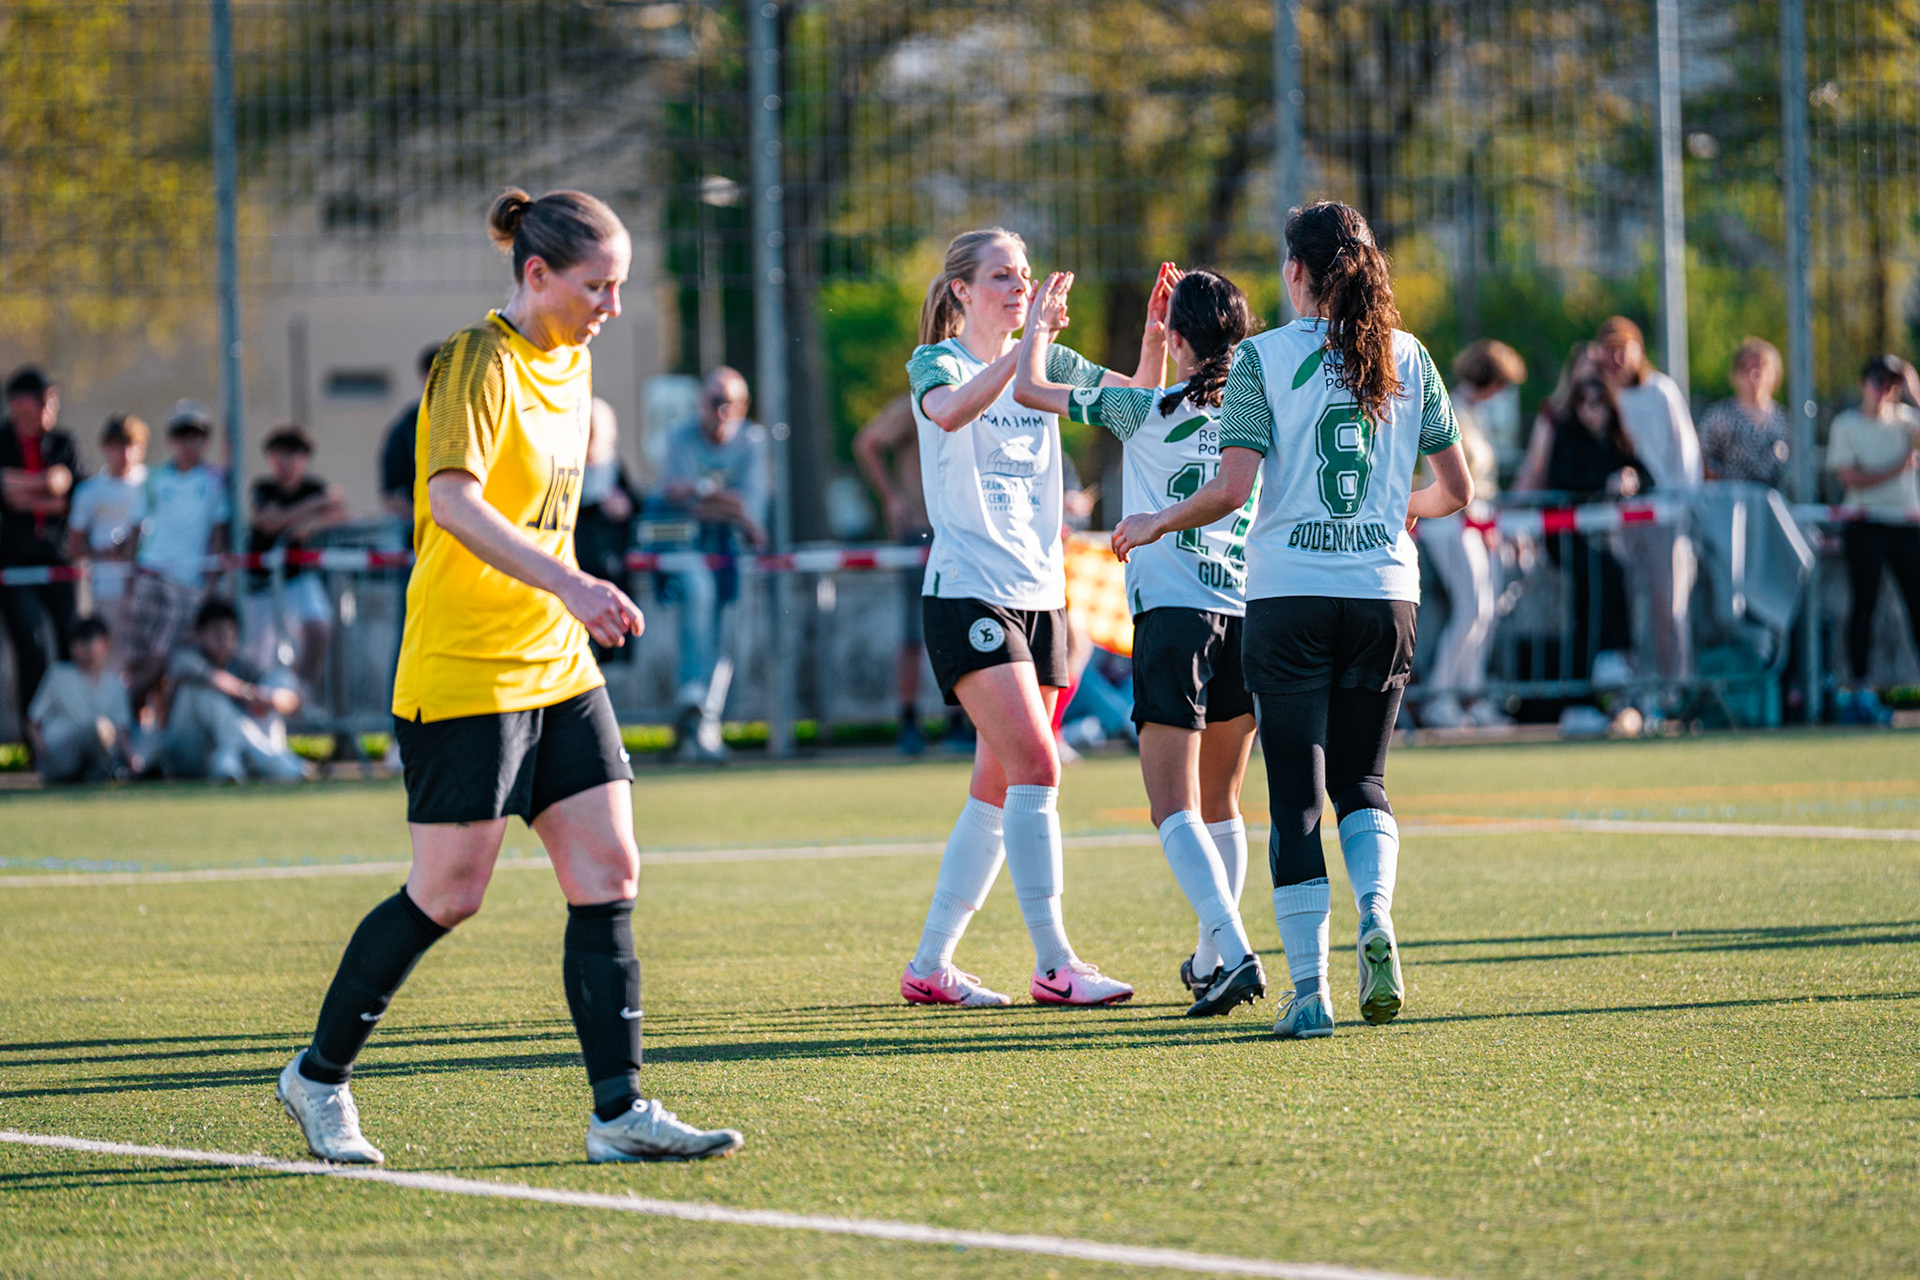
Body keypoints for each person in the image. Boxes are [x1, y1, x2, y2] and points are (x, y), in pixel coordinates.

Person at [277, 187, 741, 1167]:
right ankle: (317, 1078)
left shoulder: (572, 365)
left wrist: (573, 600)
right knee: (449, 892)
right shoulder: (475, 362)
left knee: (610, 869)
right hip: (466, 670)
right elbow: (451, 502)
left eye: (619, 286)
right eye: (596, 286)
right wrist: (574, 582)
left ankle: (618, 1111)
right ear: (537, 276)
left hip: (557, 669)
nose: (610, 306)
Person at [1112, 200, 1474, 1039]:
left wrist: (1156, 522)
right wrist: (1396, 508)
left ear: (1299, 272)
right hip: (1387, 591)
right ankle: (1376, 915)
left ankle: (1309, 993)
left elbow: (1233, 489)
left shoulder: (1263, 359)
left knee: (1296, 802)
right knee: (1364, 782)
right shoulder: (1411, 357)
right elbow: (1458, 489)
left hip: (1289, 598)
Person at [898, 226, 1163, 1010]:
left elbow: (1135, 403)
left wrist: (1153, 338)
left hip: (1042, 595)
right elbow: (948, 413)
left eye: (1025, 275)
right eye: (1002, 276)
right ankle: (1055, 964)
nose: (1021, 288)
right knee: (1040, 768)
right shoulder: (941, 361)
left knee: (997, 783)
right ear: (961, 292)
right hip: (969, 592)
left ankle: (932, 965)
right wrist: (1029, 350)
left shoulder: (1040, 355)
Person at [1014, 264, 1265, 1017]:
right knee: (1223, 805)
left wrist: (1037, 330)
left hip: (1175, 617)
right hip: (1247, 614)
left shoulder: (1149, 409)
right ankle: (1213, 956)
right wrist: (1161, 334)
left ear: (1180, 338)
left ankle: (1235, 946)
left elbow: (1029, 389)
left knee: (1172, 808)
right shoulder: (1259, 414)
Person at [657, 366, 770, 761]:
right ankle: (690, 693)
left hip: (732, 548)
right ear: (699, 403)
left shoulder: (753, 441)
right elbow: (675, 494)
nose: (722, 411)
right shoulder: (679, 437)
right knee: (698, 594)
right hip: (685, 547)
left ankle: (706, 721)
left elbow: (747, 503)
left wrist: (704, 495)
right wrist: (727, 503)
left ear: (744, 407)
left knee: (728, 634)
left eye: (732, 403)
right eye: (714, 402)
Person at [1420, 340, 1526, 728]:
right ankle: (1441, 697)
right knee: (1471, 610)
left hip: (1475, 522)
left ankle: (1471, 695)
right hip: (1451, 523)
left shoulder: (1474, 413)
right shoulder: (1452, 409)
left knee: (1484, 612)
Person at [1516, 376, 1645, 684]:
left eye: (1598, 403)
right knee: (1598, 588)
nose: (1591, 411)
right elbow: (1563, 479)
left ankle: (1610, 663)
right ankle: (1589, 676)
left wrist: (1632, 477)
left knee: (1603, 590)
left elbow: (1644, 473)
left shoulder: (1616, 438)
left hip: (1599, 540)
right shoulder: (1566, 433)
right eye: (1583, 403)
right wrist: (1605, 484)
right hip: (1566, 538)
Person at [1596, 316, 1699, 693]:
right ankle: (1637, 691)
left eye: (1624, 350)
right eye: (1610, 352)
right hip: (1622, 518)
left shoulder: (1660, 391)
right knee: (1629, 609)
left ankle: (1676, 688)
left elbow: (1685, 452)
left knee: (1668, 606)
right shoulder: (1604, 397)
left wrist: (1685, 505)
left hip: (1666, 513)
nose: (1618, 359)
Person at [1826, 355, 1920, 717]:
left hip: (1905, 523)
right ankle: (1862, 686)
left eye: (1891, 383)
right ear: (1864, 382)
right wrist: (1895, 469)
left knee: (1916, 603)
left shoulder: (1906, 422)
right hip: (1865, 524)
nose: (1884, 389)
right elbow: (1848, 475)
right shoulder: (1847, 424)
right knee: (1864, 604)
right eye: (1878, 380)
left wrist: (1913, 390)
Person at [123, 403, 229, 716]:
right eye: (183, 435)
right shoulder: (154, 478)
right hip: (150, 574)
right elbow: (135, 529)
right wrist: (131, 577)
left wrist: (210, 583)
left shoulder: (213, 481)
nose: (189, 443)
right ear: (172, 439)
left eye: (196, 435)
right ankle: (136, 736)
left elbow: (218, 534)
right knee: (141, 660)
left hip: (187, 582)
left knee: (161, 660)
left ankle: (119, 720)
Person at [0, 366, 82, 732]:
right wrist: (46, 484)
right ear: (19, 404)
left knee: (71, 642)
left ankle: (73, 729)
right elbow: (6, 493)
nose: (50, 406)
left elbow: (73, 497)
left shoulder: (63, 442)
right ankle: (35, 738)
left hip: (57, 561)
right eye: (41, 399)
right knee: (30, 644)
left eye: (52, 398)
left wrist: (23, 490)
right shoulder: (2, 441)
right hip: (16, 564)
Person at [852, 393, 933, 754]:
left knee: (968, 628)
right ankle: (910, 721)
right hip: (921, 530)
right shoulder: (921, 398)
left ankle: (965, 723)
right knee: (914, 632)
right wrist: (892, 498)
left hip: (963, 531)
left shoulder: (985, 392)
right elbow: (867, 442)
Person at [245, 424, 350, 689]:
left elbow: (342, 514)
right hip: (262, 585)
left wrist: (312, 524)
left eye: (293, 454)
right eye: (279, 454)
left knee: (318, 629)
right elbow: (268, 522)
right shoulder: (264, 488)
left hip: (299, 579)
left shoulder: (314, 486)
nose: (286, 462)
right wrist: (314, 507)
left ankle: (300, 695)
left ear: (305, 459)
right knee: (259, 658)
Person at [158, 598, 308, 783]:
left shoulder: (241, 662)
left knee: (280, 677)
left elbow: (292, 699)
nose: (225, 642)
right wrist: (250, 695)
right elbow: (214, 679)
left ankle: (229, 765)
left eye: (231, 635)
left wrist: (273, 699)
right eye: (217, 634)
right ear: (198, 634)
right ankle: (273, 761)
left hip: (230, 750)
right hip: (189, 753)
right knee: (201, 692)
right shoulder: (185, 657)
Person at [66, 414, 149, 651]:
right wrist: (103, 553)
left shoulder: (151, 483)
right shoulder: (89, 491)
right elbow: (73, 546)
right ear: (105, 447)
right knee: (112, 654)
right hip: (106, 587)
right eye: (116, 445)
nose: (123, 453)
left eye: (129, 444)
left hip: (147, 587)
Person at [25, 615, 137, 783]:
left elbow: (120, 730)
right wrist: (39, 747)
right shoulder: (58, 675)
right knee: (96, 727)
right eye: (79, 643)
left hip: (100, 753)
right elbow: (32, 720)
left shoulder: (115, 684)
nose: (83, 649)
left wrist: (133, 761)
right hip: (59, 754)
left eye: (89, 642)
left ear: (104, 644)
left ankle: (102, 771)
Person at [573, 398, 641, 664]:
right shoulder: (571, 464)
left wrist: (624, 505)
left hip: (613, 562)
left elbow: (632, 501)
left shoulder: (612, 466)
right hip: (582, 561)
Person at [1700, 338, 1791, 488]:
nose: (1752, 374)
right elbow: (1704, 461)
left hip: (1772, 504)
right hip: (1732, 503)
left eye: (1759, 366)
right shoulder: (1721, 417)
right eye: (1744, 368)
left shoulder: (1783, 420)